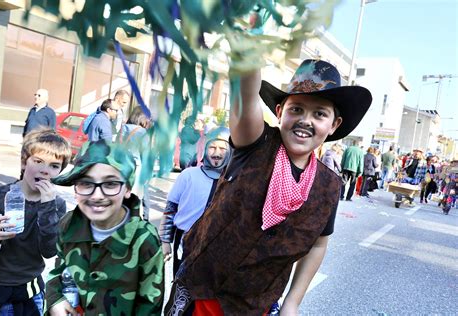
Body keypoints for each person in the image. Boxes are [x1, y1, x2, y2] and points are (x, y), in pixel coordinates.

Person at [164, 59, 372, 314]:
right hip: (202, 293)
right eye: (296, 109)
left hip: (256, 305)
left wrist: (292, 302)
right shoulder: (254, 143)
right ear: (279, 111)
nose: (305, 121)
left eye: (319, 114)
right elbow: (245, 97)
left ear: (334, 125)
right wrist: (248, 51)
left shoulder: (329, 185)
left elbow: (318, 244)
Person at [45, 140, 164, 315]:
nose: (97, 195)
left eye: (110, 184)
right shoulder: (69, 224)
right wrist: (54, 300)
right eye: (86, 183)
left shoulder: (144, 239)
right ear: (76, 189)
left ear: (127, 189)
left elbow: (150, 304)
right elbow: (58, 272)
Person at [0, 128, 72, 315]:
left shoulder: (57, 204)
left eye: (54, 166)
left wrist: (47, 206)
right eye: (38, 161)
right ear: (24, 162)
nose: (44, 170)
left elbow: (49, 251)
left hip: (29, 289)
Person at [159, 127, 231, 276]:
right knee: (181, 286)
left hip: (214, 245)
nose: (217, 153)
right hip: (184, 241)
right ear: (204, 149)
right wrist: (165, 240)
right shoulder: (188, 175)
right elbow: (171, 207)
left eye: (223, 148)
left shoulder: (232, 181)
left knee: (203, 291)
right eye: (212, 147)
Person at [118, 106, 152, 220]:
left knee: (122, 192)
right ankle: (135, 219)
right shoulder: (142, 132)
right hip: (136, 166)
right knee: (135, 195)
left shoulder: (123, 128)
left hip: (121, 165)